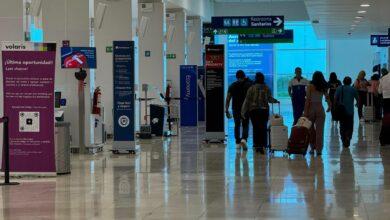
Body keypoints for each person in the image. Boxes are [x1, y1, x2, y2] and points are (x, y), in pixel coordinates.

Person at [241, 72, 279, 154]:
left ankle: (256, 145)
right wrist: (276, 101)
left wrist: (243, 111)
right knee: (263, 127)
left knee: (256, 128)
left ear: (256, 78)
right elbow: (269, 99)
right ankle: (263, 145)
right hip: (264, 111)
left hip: (254, 111)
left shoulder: (251, 88)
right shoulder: (266, 88)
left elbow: (247, 100)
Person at [304, 71, 331, 156]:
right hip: (320, 108)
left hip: (311, 108)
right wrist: (329, 106)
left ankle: (312, 148)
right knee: (320, 131)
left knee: (311, 130)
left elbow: (308, 100)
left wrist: (305, 112)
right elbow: (327, 97)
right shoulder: (323, 87)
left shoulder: (310, 86)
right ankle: (319, 150)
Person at [226, 70, 253, 150]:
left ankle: (237, 142)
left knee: (237, 125)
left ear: (236, 77)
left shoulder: (232, 85)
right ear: (244, 76)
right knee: (245, 124)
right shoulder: (249, 84)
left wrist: (226, 110)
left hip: (236, 108)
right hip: (246, 108)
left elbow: (228, 99)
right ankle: (244, 139)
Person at [334, 77, 359, 148]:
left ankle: (343, 139)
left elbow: (335, 98)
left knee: (342, 126)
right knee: (350, 125)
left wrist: (335, 106)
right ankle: (348, 137)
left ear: (343, 81)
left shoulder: (339, 88)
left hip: (341, 111)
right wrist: (357, 104)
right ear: (350, 82)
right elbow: (357, 98)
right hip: (350, 111)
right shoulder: (353, 89)